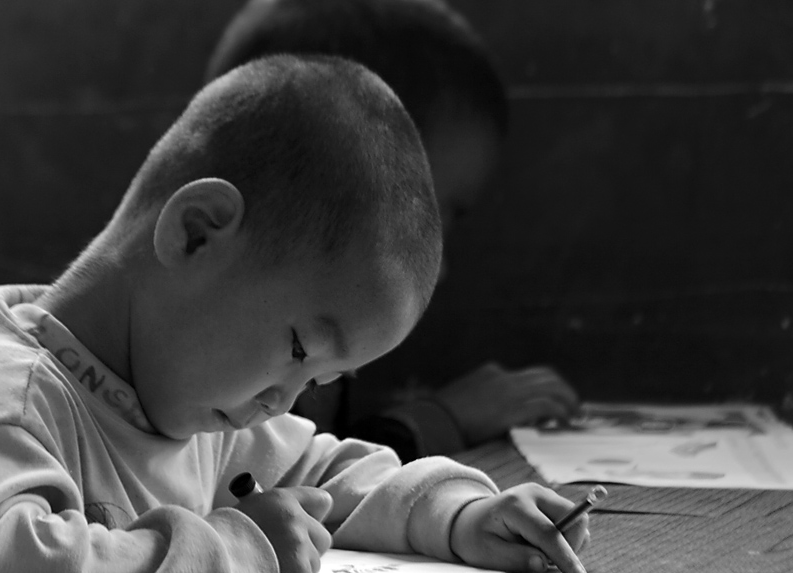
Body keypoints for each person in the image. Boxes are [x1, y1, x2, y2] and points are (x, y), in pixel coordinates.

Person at [0, 55, 589, 573]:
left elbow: (327, 471)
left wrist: (457, 515)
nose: (287, 401)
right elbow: (3, 567)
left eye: (323, 378)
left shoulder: (191, 405)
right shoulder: (4, 393)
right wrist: (239, 551)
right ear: (196, 231)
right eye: (299, 347)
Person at [206, 0, 581, 460]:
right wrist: (440, 421)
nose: (438, 266)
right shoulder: (237, 339)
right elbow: (282, 481)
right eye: (428, 219)